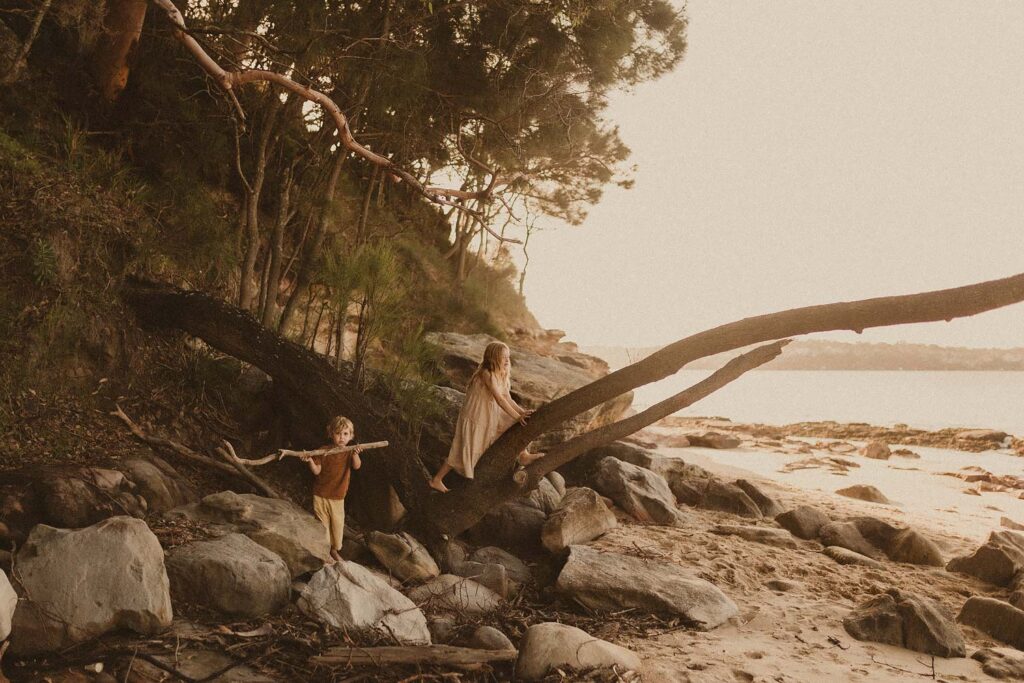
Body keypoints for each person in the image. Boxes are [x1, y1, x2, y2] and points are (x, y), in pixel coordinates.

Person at [429, 341, 543, 493]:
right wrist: (517, 416)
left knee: (522, 423)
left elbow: (507, 398)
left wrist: (521, 413)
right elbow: (499, 399)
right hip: (476, 415)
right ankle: (437, 479)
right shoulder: (486, 373)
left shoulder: (502, 374)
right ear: (493, 358)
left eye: (508, 357)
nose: (507, 360)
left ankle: (523, 455)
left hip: (490, 413)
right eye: (503, 357)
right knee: (462, 449)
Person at [305, 415, 364, 563]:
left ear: (351, 436)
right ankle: (325, 554)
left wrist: (356, 454)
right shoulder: (323, 451)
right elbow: (317, 471)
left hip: (337, 496)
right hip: (320, 494)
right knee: (323, 527)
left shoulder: (349, 451)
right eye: (338, 433)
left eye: (345, 434)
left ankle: (334, 550)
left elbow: (357, 466)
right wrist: (310, 460)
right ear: (331, 434)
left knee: (337, 527)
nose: (341, 437)